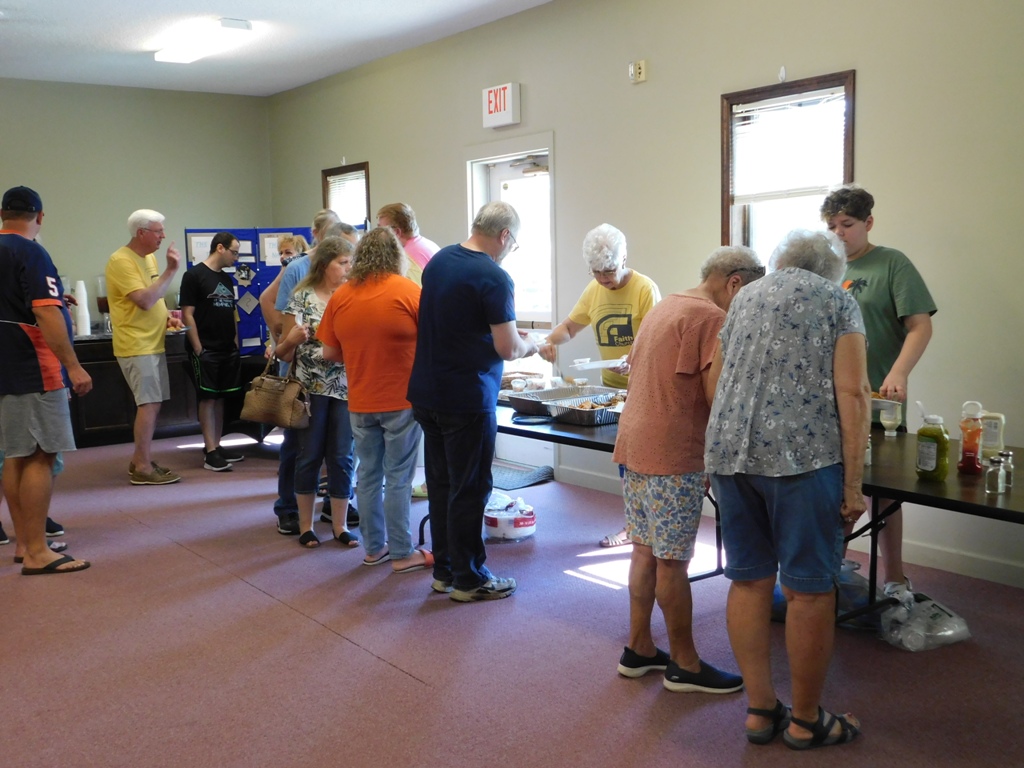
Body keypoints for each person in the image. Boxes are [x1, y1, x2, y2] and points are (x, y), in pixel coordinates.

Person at [705, 230, 868, 749]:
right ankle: (805, 720)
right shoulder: (837, 300)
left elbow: (719, 379)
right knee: (808, 591)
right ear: (831, 269)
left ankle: (760, 711)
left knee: (748, 581)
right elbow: (853, 392)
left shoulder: (745, 297)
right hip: (801, 458)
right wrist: (853, 485)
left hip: (730, 454)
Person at [613, 246, 763, 694]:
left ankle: (639, 647)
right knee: (672, 561)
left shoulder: (667, 305)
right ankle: (684, 663)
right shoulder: (711, 318)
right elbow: (717, 396)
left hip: (635, 442)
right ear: (734, 282)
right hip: (673, 451)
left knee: (644, 550)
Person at [408, 201, 539, 602]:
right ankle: (470, 579)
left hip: (427, 392)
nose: (511, 250)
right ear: (505, 235)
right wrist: (533, 345)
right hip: (466, 398)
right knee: (470, 489)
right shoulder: (494, 277)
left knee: (442, 486)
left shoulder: (439, 261)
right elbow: (508, 348)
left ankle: (445, 571)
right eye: (514, 243)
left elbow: (456, 325)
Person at [821, 184, 936, 602]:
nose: (839, 233)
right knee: (835, 491)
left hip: (878, 406)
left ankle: (895, 577)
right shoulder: (824, 270)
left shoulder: (892, 264)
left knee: (883, 496)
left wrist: (898, 372)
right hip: (831, 406)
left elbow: (920, 325)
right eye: (832, 226)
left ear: (868, 222)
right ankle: (828, 572)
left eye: (847, 224)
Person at [538, 223, 661, 548]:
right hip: (612, 390)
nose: (604, 279)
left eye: (609, 271)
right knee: (624, 460)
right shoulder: (594, 290)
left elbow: (656, 341)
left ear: (624, 260)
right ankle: (634, 525)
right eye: (597, 272)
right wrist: (549, 341)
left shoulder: (645, 289)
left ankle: (640, 526)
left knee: (639, 461)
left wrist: (633, 359)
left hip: (643, 388)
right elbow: (570, 327)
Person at [318, 227, 427, 573]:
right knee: (398, 478)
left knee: (366, 475)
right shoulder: (409, 291)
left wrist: (360, 352)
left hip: (360, 399)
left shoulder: (342, 295)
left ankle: (374, 548)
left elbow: (329, 352)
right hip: (402, 399)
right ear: (397, 256)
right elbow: (433, 342)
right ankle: (402, 553)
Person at [0, 185, 92, 574]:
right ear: (39, 216)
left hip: (5, 365)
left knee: (15, 454)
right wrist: (73, 366)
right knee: (41, 453)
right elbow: (45, 312)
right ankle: (38, 552)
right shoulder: (32, 252)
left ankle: (25, 543)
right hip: (33, 365)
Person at [258, 211, 342, 535]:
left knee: (338, 450)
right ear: (318, 235)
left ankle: (334, 507)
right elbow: (275, 308)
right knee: (297, 446)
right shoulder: (297, 269)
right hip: (299, 373)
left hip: (337, 380)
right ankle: (288, 507)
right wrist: (281, 342)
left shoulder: (346, 280)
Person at [275, 236, 357, 549]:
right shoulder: (301, 298)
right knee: (308, 455)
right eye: (342, 262)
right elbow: (282, 353)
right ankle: (306, 526)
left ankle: (339, 525)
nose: (348, 268)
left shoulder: (353, 295)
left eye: (350, 262)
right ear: (324, 265)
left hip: (346, 389)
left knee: (342, 456)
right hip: (309, 390)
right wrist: (292, 339)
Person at [105, 208, 183, 485]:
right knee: (148, 404)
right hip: (136, 344)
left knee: (154, 403)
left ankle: (141, 458)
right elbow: (144, 300)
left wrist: (167, 317)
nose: (163, 236)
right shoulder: (120, 261)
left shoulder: (148, 258)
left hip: (153, 341)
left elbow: (155, 296)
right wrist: (171, 270)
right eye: (158, 231)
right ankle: (142, 467)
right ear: (141, 233)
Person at [179, 231, 244, 471]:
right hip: (206, 349)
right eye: (234, 252)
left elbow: (232, 313)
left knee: (221, 398)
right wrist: (198, 347)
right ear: (220, 248)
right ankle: (210, 453)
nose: (236, 258)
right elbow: (187, 314)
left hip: (227, 348)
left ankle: (216, 445)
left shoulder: (226, 279)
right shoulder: (193, 275)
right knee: (207, 398)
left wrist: (235, 343)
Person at [260, 233, 309, 353]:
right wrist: (271, 346)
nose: (282, 257)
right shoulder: (282, 278)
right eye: (281, 253)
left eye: (288, 252)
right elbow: (276, 323)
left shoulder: (308, 279)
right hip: (287, 346)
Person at [376, 202, 440, 287]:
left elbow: (415, 292)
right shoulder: (429, 244)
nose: (378, 234)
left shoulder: (405, 259)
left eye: (381, 229)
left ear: (396, 232)